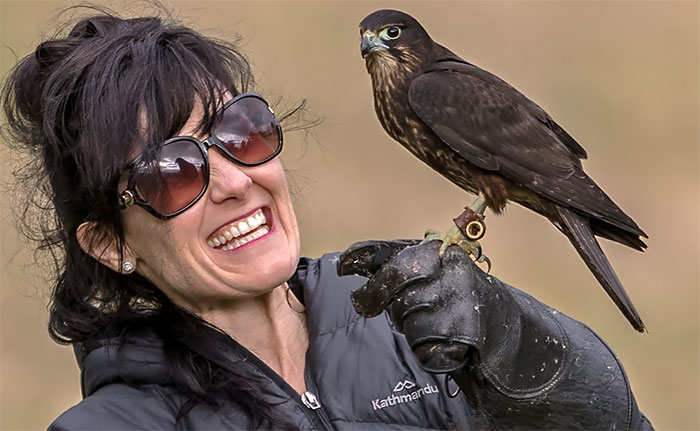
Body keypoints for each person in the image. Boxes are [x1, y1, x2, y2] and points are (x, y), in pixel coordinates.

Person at [1, 8, 653, 430]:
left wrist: (513, 340)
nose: (233, 181)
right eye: (172, 172)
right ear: (110, 243)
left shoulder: (416, 323)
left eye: (241, 132)